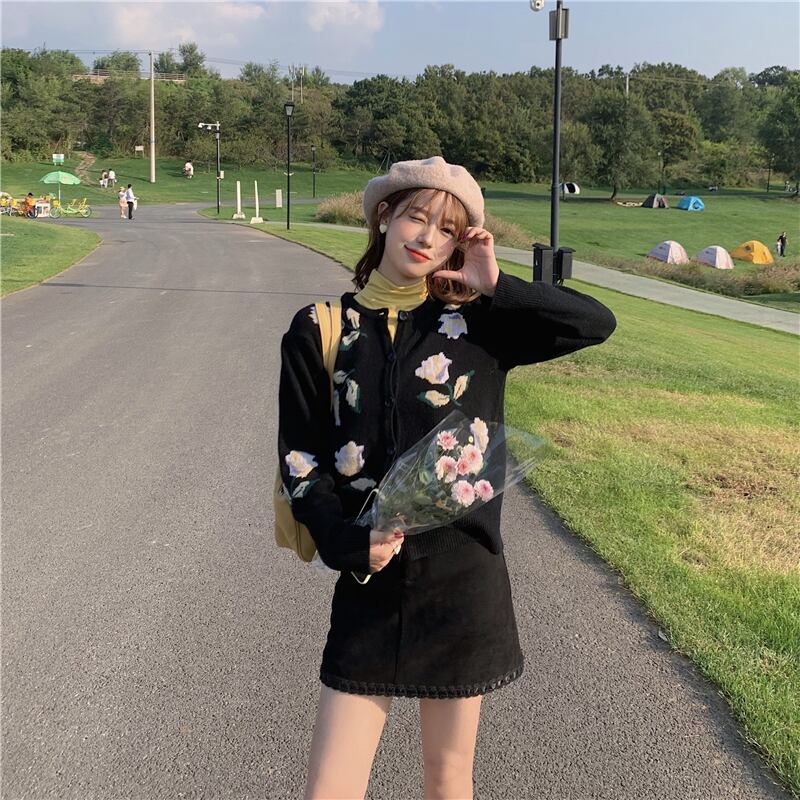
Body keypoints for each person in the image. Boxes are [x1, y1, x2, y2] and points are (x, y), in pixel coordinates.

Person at [277, 156, 617, 800]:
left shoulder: (480, 326)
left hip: (462, 578)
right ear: (384, 216)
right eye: (416, 217)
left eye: (447, 230)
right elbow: (300, 457)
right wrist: (345, 542)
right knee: (330, 786)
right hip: (369, 576)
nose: (427, 237)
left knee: (448, 776)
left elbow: (594, 324)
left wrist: (496, 285)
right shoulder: (320, 327)